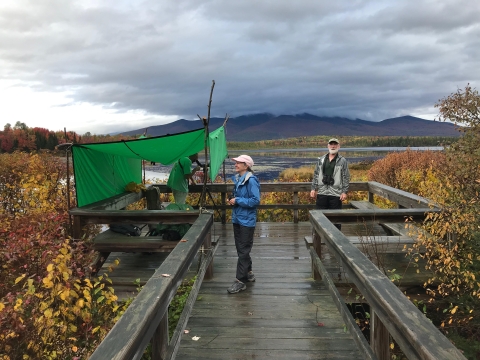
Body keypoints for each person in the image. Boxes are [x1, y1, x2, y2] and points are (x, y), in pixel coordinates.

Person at [226, 155, 261, 294]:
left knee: (243, 249)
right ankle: (249, 272)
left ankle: (240, 281)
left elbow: (255, 200)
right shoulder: (239, 179)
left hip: (247, 220)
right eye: (235, 162)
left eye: (238, 162)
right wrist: (232, 199)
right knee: (242, 248)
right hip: (238, 218)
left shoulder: (251, 180)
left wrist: (238, 200)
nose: (235, 164)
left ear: (246, 165)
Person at [310, 138, 350, 230]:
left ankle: (336, 241)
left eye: (335, 144)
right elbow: (316, 174)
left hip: (336, 194)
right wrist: (313, 189)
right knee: (320, 219)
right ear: (328, 146)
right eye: (331, 144)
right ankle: (319, 241)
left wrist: (344, 192)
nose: (333, 146)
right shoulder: (321, 159)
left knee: (336, 220)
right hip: (322, 193)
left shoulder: (342, 161)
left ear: (338, 146)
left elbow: (346, 177)